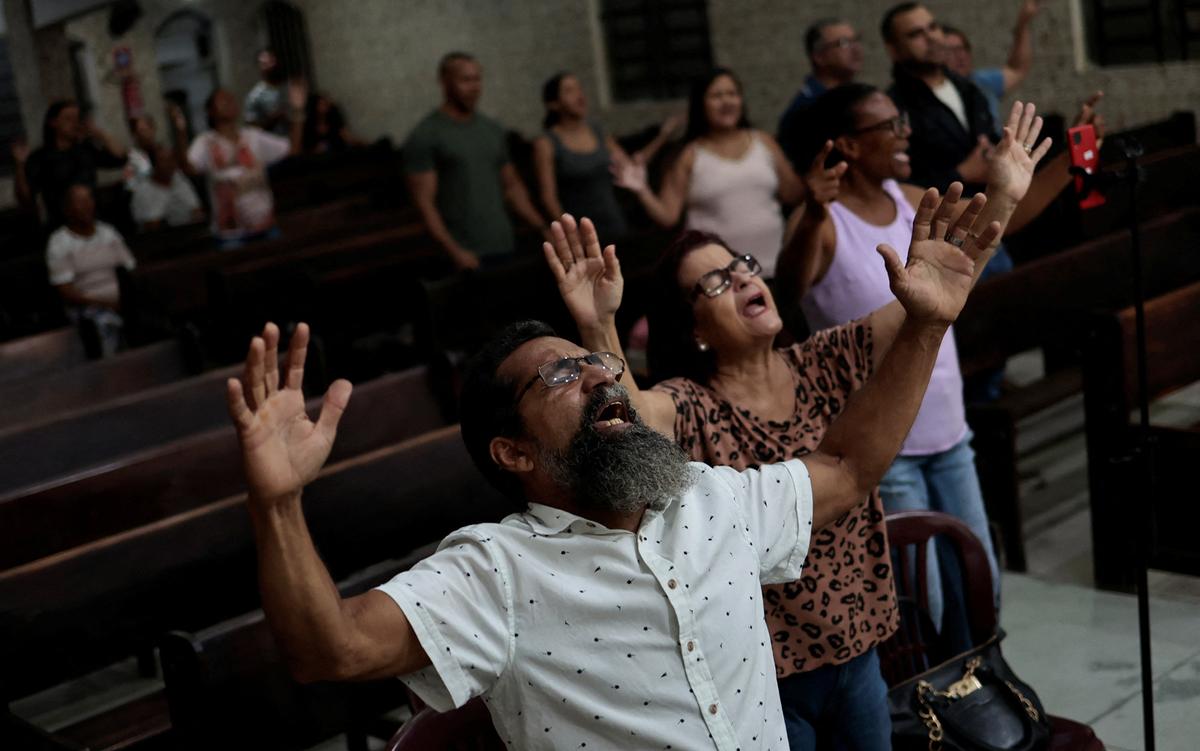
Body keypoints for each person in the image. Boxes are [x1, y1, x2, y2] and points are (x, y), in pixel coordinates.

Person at [224, 183, 999, 747]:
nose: (599, 374)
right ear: (514, 450)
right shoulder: (498, 570)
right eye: (561, 376)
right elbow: (333, 649)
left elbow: (846, 465)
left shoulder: (709, 499)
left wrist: (926, 325)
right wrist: (278, 505)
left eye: (596, 361)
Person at [541, 93, 1046, 748]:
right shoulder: (693, 404)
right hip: (761, 672)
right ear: (694, 330)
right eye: (716, 283)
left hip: (858, 651)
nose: (743, 277)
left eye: (743, 264)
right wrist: (597, 321)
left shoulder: (825, 361)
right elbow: (630, 417)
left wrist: (1002, 197)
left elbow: (936, 294)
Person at [779, 90, 1059, 669]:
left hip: (948, 430)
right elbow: (787, 293)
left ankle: (984, 703)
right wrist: (809, 214)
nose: (907, 132)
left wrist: (1006, 188)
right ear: (850, 146)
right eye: (893, 123)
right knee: (921, 605)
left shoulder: (912, 201)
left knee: (981, 589)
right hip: (884, 448)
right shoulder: (823, 221)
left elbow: (978, 250)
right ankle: (934, 717)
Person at [613, 68, 804, 278]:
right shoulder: (688, 155)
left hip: (776, 269)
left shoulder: (764, 141)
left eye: (732, 94)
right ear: (700, 105)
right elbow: (668, 216)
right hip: (721, 278)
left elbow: (793, 194)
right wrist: (642, 190)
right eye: (717, 96)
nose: (727, 102)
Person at [404, 52, 548, 271]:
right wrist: (454, 250)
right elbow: (424, 203)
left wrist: (541, 227)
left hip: (503, 243)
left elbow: (512, 187)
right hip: (466, 252)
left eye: (477, 79)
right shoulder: (426, 135)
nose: (474, 87)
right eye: (465, 80)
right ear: (445, 82)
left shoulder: (491, 129)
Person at [532, 71, 678, 243]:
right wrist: (570, 234)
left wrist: (663, 136)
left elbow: (630, 167)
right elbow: (548, 198)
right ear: (554, 104)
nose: (579, 95)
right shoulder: (546, 143)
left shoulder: (597, 131)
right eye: (569, 90)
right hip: (580, 232)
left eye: (579, 88)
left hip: (614, 225)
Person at [175, 87, 302, 243]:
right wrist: (180, 133)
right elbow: (189, 168)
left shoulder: (252, 136)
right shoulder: (205, 142)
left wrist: (297, 111)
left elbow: (292, 149)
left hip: (264, 225)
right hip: (231, 232)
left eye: (231, 99)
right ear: (210, 111)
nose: (229, 103)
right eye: (223, 100)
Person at [45, 184, 137, 355]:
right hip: (88, 308)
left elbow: (130, 269)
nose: (87, 205)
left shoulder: (108, 232)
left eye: (89, 199)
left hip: (122, 302)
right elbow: (65, 291)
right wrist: (107, 304)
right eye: (80, 201)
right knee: (105, 324)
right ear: (67, 210)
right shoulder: (59, 242)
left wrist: (127, 299)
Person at [13, 100, 127, 229]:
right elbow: (25, 197)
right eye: (68, 119)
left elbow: (120, 157)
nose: (75, 123)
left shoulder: (85, 149)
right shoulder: (40, 157)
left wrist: (98, 133)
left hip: (95, 222)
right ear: (53, 122)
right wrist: (20, 165)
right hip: (62, 226)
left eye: (77, 118)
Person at [777, 19, 865, 170]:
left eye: (856, 40)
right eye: (843, 43)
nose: (856, 48)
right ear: (819, 57)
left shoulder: (859, 96)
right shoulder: (805, 111)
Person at [944, 0, 1042, 127]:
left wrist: (1023, 24)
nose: (961, 56)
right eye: (952, 51)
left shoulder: (981, 81)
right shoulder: (938, 93)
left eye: (964, 48)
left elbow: (1018, 68)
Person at [130, 144, 204, 229]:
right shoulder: (143, 191)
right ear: (154, 165)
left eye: (172, 159)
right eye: (164, 160)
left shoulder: (178, 177)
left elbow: (197, 210)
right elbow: (152, 228)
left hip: (192, 232)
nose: (170, 164)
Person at [244, 48, 291, 137]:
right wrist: (273, 118)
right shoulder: (255, 96)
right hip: (274, 142)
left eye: (272, 61)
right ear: (259, 67)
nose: (270, 66)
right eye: (265, 64)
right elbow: (251, 127)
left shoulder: (289, 86)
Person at [300, 93, 364, 155]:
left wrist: (364, 143)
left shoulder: (334, 116)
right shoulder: (308, 123)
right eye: (321, 104)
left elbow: (347, 137)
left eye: (326, 103)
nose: (325, 106)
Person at [124, 114, 158, 185]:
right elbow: (131, 185)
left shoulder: (163, 152)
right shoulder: (134, 157)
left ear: (153, 129)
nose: (144, 134)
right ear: (135, 135)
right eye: (141, 131)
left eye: (147, 129)